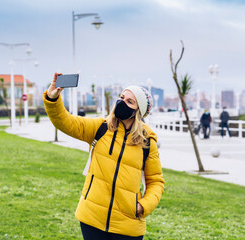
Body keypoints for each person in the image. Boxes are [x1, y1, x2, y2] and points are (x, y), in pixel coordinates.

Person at [43, 73, 165, 240]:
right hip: (92, 219)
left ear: (139, 111)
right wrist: (52, 98)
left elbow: (156, 181)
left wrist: (143, 207)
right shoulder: (100, 128)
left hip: (128, 226)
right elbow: (65, 121)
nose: (122, 102)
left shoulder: (147, 142)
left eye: (130, 101)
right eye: (122, 97)